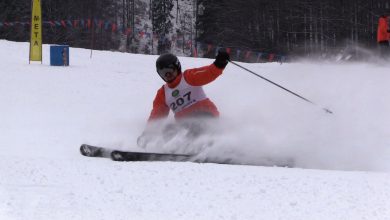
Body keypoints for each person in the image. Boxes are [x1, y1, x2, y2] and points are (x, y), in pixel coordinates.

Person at [137, 50, 230, 146]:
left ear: (177, 67)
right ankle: (178, 152)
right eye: (163, 73)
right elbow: (156, 116)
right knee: (168, 130)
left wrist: (219, 64)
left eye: (170, 71)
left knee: (194, 124)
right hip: (185, 125)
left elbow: (207, 73)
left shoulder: (188, 77)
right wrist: (148, 133)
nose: (167, 75)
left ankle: (209, 145)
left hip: (207, 116)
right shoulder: (163, 93)